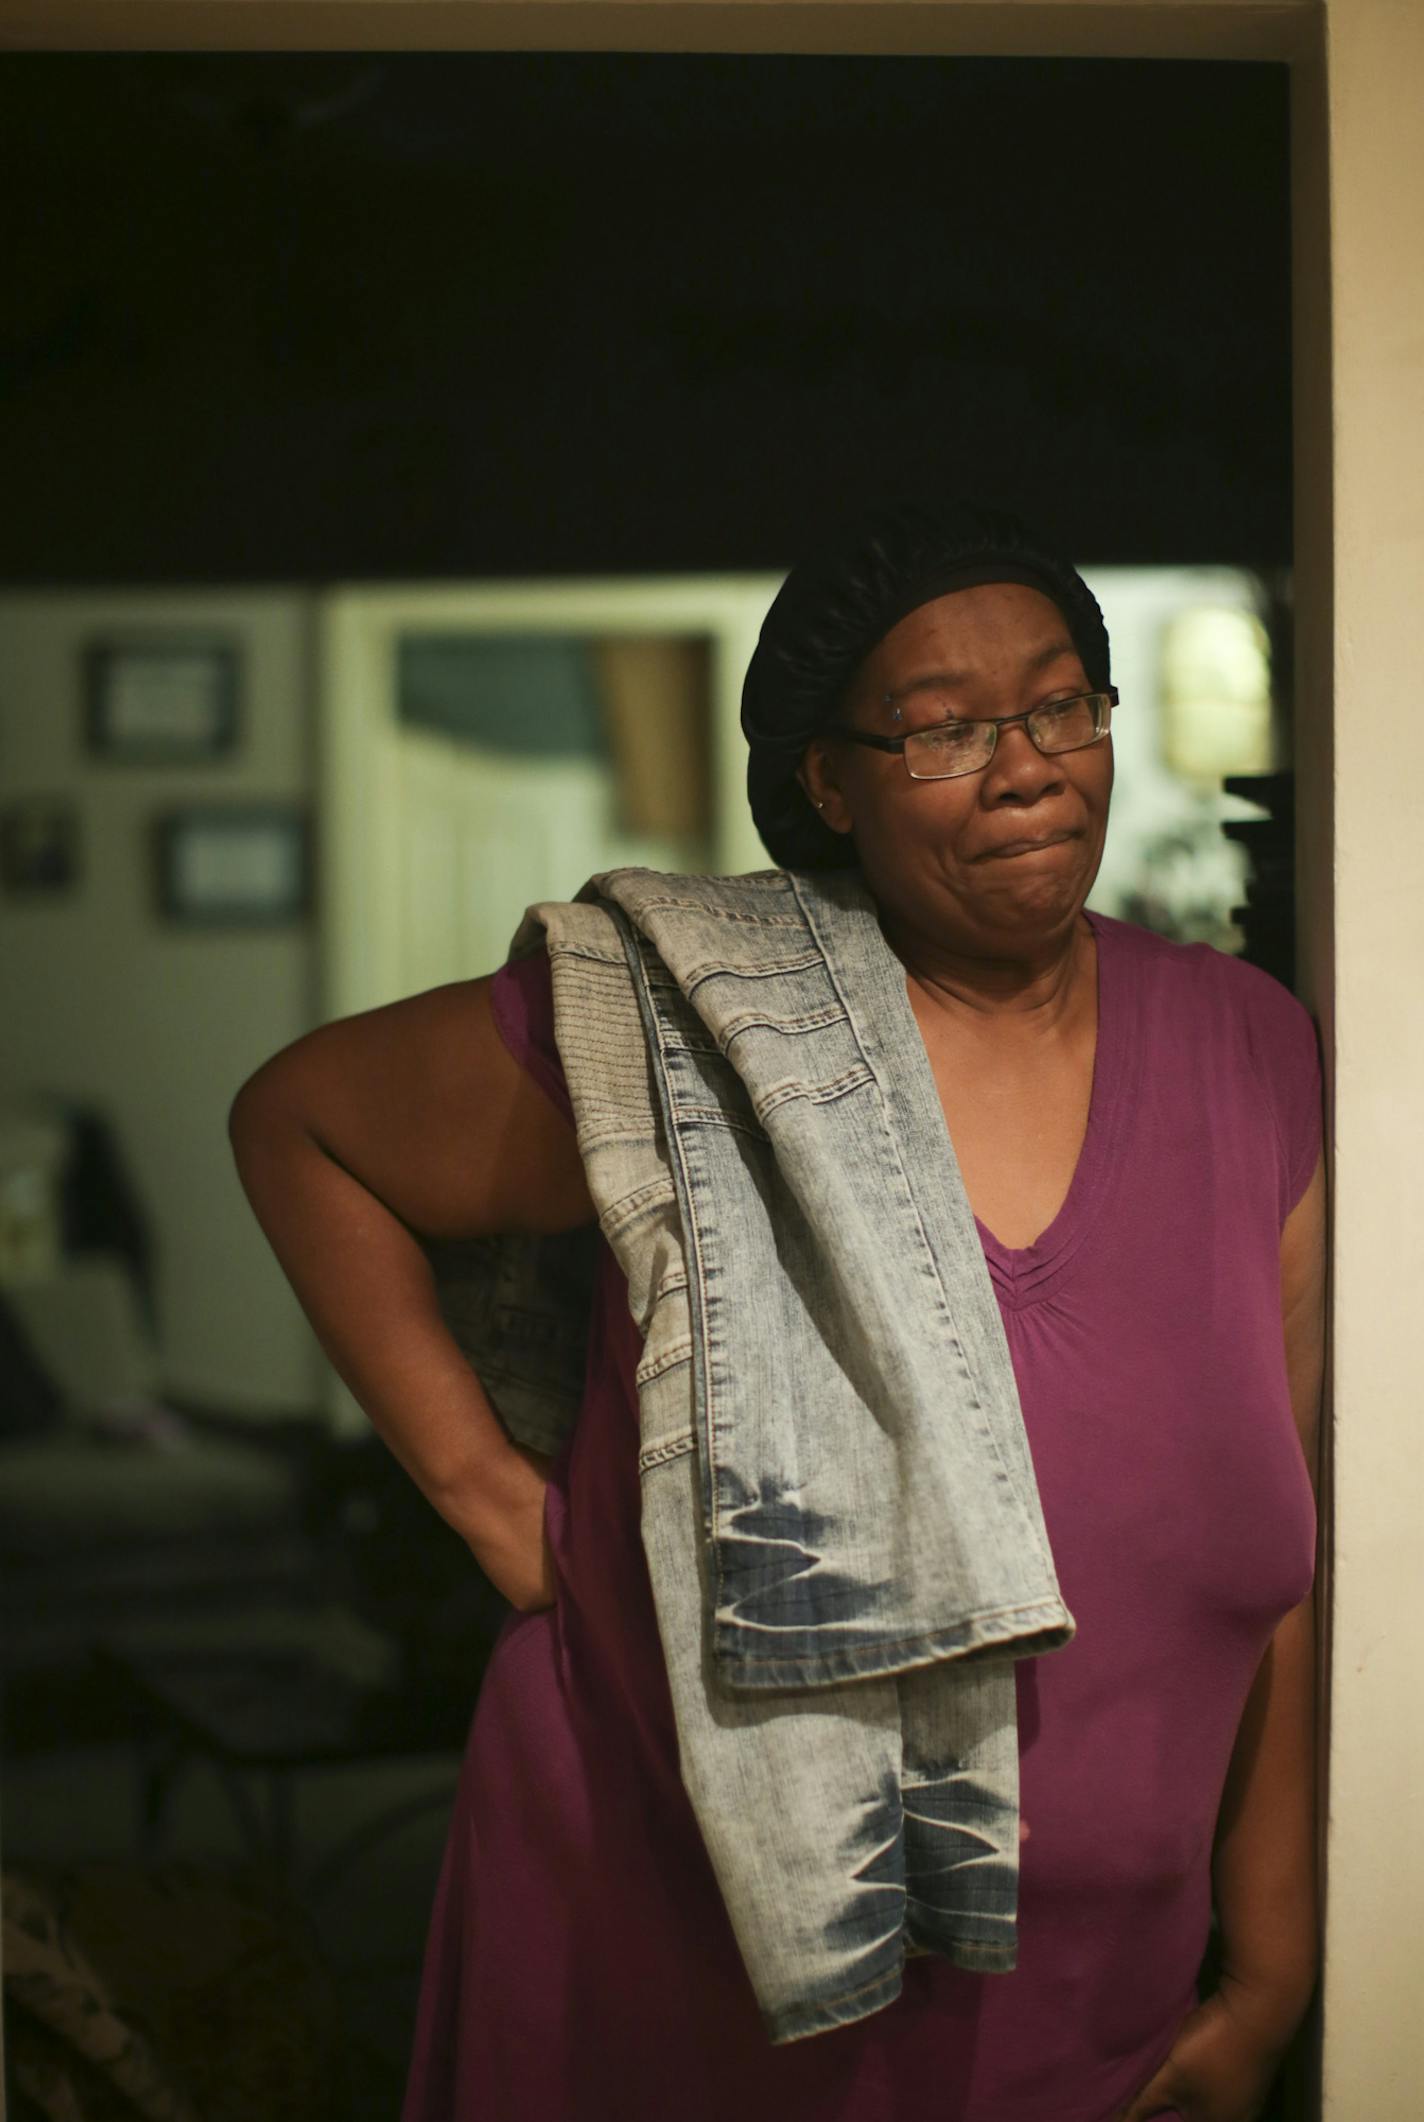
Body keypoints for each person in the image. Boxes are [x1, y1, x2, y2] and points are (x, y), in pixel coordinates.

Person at [228, 501, 1325, 2122]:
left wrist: (1270, 1976)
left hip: (1104, 2012)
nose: (1024, 763)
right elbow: (304, 1123)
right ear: (832, 781)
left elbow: (1285, 1574)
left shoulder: (1251, 1051)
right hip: (668, 1958)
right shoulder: (693, 1030)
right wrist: (490, 1504)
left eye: (1058, 703)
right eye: (943, 729)